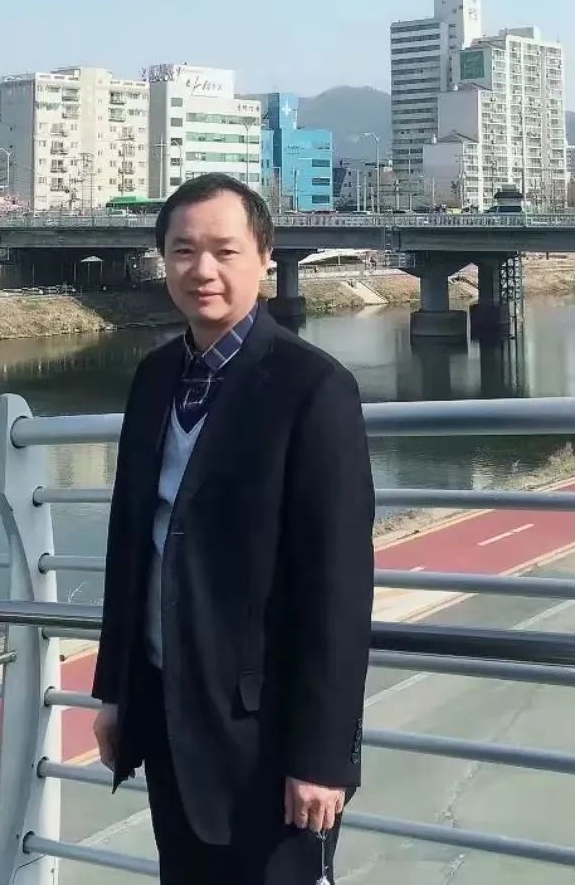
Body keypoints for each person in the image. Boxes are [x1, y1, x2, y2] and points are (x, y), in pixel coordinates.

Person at [92, 173, 374, 884]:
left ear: (265, 257)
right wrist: (115, 692)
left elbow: (338, 589)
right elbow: (132, 543)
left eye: (224, 250)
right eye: (183, 251)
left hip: (267, 739)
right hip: (167, 715)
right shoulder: (155, 377)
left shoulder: (313, 388)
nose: (203, 270)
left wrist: (322, 757)